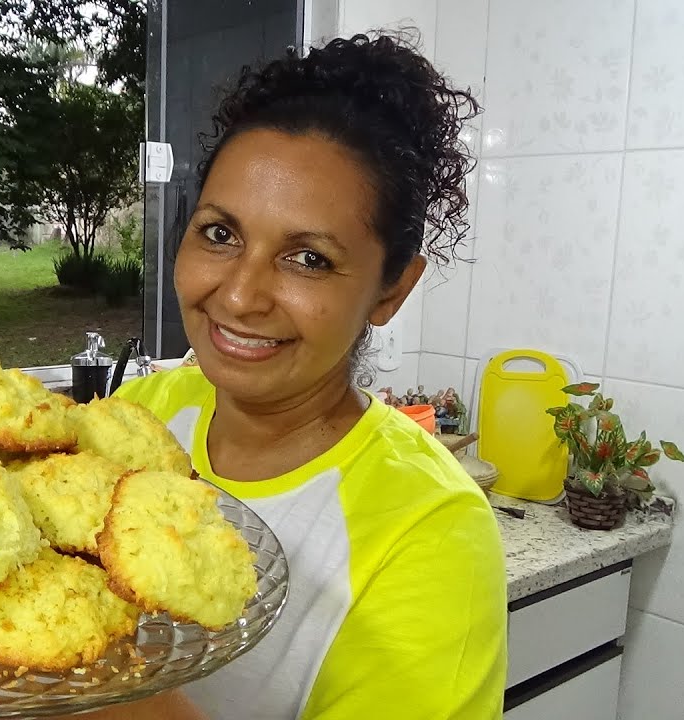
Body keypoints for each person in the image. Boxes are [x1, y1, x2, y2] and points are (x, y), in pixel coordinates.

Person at [82, 32, 507, 719]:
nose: (242, 295)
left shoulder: (431, 531)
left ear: (391, 288)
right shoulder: (138, 421)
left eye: (308, 259)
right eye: (220, 234)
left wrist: (101, 688)